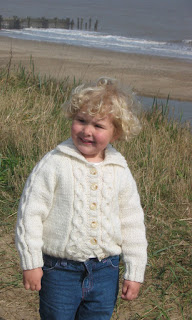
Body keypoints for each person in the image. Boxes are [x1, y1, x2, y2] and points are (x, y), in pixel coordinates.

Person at [15, 77, 147, 320]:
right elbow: (30, 214)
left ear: (115, 132)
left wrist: (134, 271)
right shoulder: (55, 162)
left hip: (106, 270)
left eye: (98, 126)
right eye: (81, 121)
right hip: (59, 270)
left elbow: (132, 222)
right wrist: (31, 262)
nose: (87, 131)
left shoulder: (119, 169)